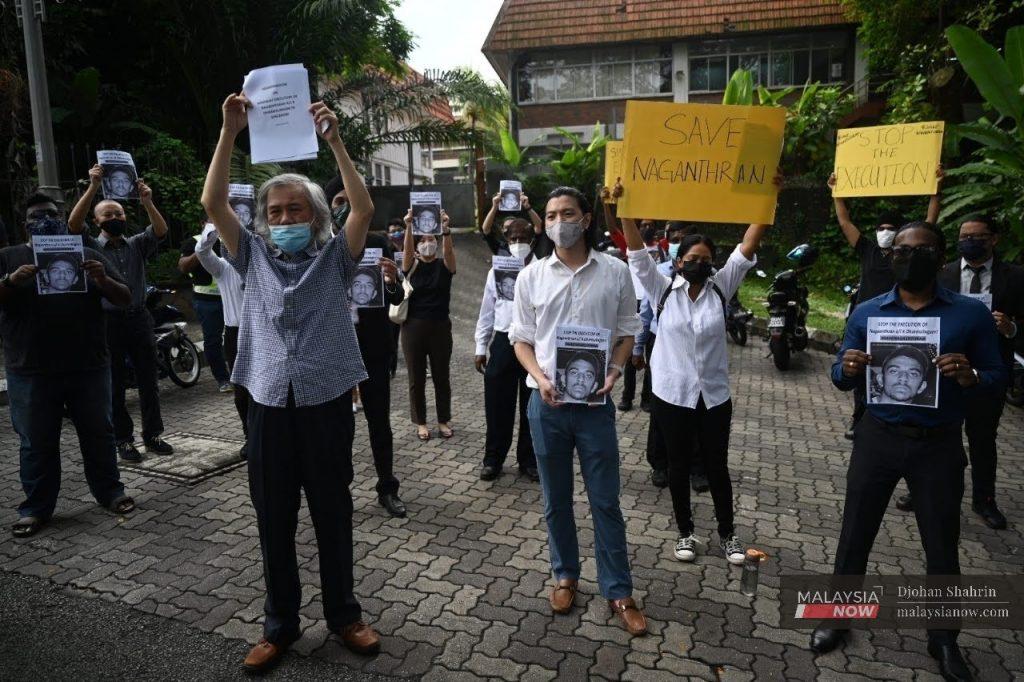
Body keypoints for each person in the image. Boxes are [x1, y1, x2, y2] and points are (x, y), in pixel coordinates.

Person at [201, 93, 381, 671]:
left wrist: (335, 141)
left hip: (326, 403)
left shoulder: (336, 259)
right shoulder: (251, 256)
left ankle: (344, 616)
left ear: (314, 218)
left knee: (333, 512)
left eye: (294, 211)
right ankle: (279, 625)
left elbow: (364, 209)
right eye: (274, 212)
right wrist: (231, 132)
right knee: (272, 516)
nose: (283, 220)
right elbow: (212, 202)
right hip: (268, 405)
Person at [812, 221, 1006, 682]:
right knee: (854, 534)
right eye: (900, 250)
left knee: (941, 546)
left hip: (938, 444)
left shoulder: (969, 315)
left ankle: (943, 639)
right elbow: (839, 374)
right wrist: (848, 366)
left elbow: (998, 375)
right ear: (890, 257)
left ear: (940, 259)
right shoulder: (867, 312)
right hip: (877, 438)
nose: (908, 257)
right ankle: (837, 616)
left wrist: (972, 376)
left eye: (920, 251)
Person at [510, 185, 647, 637]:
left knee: (605, 500)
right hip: (546, 404)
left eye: (567, 213)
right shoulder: (531, 275)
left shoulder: (615, 271)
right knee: (556, 500)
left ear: (587, 219)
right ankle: (565, 574)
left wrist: (615, 371)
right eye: (550, 215)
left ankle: (619, 589)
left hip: (595, 406)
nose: (557, 222)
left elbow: (629, 330)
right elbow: (520, 338)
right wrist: (542, 378)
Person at [620, 181, 771, 566]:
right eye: (691, 258)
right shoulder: (662, 289)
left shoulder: (721, 287)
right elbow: (636, 251)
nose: (698, 264)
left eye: (705, 258)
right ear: (678, 259)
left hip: (715, 396)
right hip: (672, 394)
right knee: (678, 465)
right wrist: (624, 205)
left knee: (717, 465)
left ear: (712, 263)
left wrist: (768, 195)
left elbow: (748, 245)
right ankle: (685, 532)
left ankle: (728, 534)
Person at [2, 192, 135, 538]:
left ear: (62, 219)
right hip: (30, 369)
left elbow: (126, 298)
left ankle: (110, 491)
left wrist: (102, 280)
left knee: (99, 433)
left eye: (50, 214)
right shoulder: (9, 257)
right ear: (25, 223)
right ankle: (36, 508)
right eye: (37, 215)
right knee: (36, 441)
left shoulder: (88, 255)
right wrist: (10, 282)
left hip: (87, 366)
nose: (44, 220)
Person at [896, 214, 1024, 529]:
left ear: (993, 239)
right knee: (929, 435)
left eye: (978, 236)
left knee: (982, 439)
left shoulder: (1017, 277)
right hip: (939, 372)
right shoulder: (941, 273)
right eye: (964, 236)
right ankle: (919, 490)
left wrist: (1011, 328)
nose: (970, 241)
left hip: (985, 372)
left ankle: (984, 500)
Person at [68, 163, 174, 462]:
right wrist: (92, 186)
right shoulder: (90, 245)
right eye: (108, 215)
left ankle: (153, 435)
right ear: (97, 220)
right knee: (114, 384)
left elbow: (161, 230)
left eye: (119, 214)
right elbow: (73, 226)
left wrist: (147, 200)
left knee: (149, 381)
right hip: (108, 322)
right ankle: (123, 440)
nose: (115, 218)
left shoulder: (137, 244)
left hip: (139, 319)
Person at [829, 166, 943, 438]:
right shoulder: (867, 249)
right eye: (880, 227)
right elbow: (845, 222)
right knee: (860, 370)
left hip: (901, 320)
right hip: (868, 321)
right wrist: (836, 193)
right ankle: (860, 418)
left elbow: (929, 225)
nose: (884, 232)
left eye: (891, 229)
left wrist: (935, 192)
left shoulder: (907, 254)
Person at [325, 175, 408, 519]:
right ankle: (337, 489)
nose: (346, 208)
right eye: (338, 202)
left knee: (379, 422)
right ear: (327, 208)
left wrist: (393, 280)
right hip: (336, 350)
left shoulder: (379, 243)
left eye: (351, 200)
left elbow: (399, 297)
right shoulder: (320, 248)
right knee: (338, 424)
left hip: (374, 347)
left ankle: (387, 487)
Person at [475, 219, 538, 482]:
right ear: (506, 240)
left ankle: (529, 460)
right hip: (502, 342)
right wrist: (481, 346)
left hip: (533, 345)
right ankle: (493, 459)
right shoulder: (496, 272)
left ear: (532, 240)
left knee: (530, 406)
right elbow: (486, 310)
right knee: (497, 406)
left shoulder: (542, 271)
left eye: (522, 238)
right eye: (512, 239)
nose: (517, 243)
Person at [193, 224, 250, 459]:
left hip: (266, 333)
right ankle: (251, 437)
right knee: (242, 393)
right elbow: (202, 252)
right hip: (236, 335)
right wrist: (216, 226)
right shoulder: (223, 268)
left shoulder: (265, 265)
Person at [400, 208, 456, 441]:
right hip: (413, 327)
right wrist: (409, 226)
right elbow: (406, 251)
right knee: (416, 377)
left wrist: (445, 229)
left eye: (430, 239)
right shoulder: (411, 265)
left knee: (442, 375)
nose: (427, 243)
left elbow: (450, 253)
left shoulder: (445, 265)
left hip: (441, 327)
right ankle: (421, 422)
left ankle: (443, 419)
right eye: (422, 240)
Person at [179, 218, 232, 392]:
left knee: (237, 336)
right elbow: (183, 267)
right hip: (207, 301)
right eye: (212, 220)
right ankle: (223, 379)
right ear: (203, 223)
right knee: (213, 340)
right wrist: (203, 247)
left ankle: (239, 375)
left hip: (232, 298)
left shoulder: (232, 238)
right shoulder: (194, 241)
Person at [480, 190, 546, 256]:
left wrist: (528, 207)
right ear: (502, 229)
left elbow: (539, 226)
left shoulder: (529, 245)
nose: (509, 231)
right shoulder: (499, 247)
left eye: (513, 227)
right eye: (507, 227)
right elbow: (486, 229)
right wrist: (494, 207)